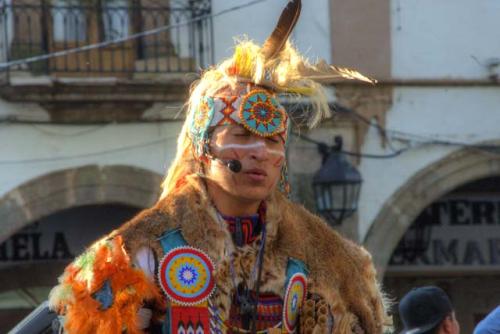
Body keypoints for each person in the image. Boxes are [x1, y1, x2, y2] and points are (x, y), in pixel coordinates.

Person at [48, 0, 390, 332]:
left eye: (272, 141)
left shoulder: (330, 256)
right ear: (202, 148)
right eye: (241, 135)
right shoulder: (139, 249)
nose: (259, 150)